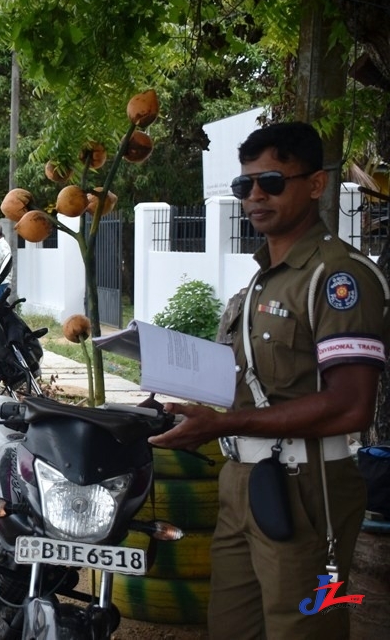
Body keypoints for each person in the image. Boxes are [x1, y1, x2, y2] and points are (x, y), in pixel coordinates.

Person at [149, 121, 390, 638]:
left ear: (316, 185)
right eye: (245, 186)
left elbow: (351, 406)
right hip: (241, 481)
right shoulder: (261, 278)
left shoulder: (338, 278)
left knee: (302, 629)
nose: (254, 196)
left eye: (272, 182)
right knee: (231, 627)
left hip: (308, 487)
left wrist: (224, 423)